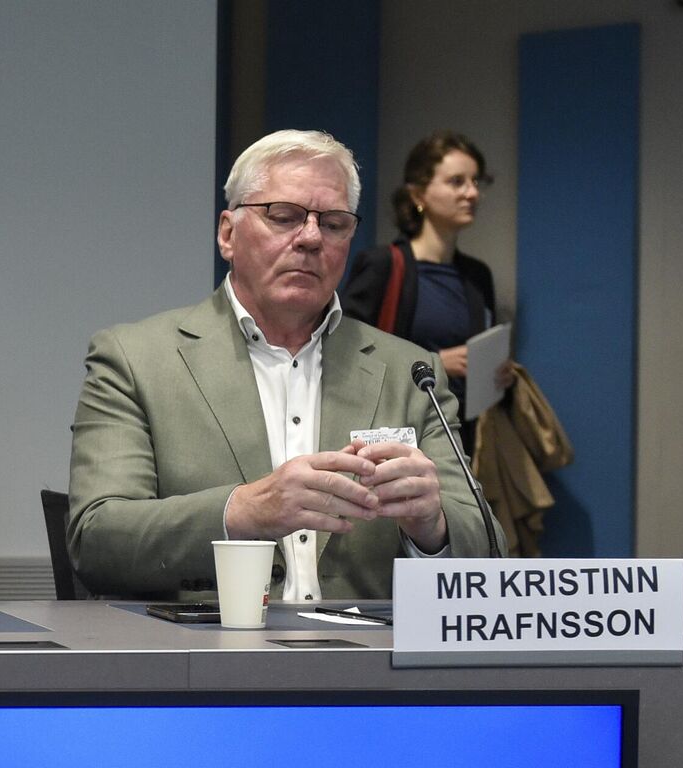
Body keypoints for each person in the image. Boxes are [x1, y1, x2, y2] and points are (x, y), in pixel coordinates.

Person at [67, 129, 500, 601]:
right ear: (228, 234)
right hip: (204, 661)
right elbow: (97, 539)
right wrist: (243, 511)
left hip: (366, 667)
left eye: (334, 223)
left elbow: (489, 551)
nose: (311, 237)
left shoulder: (411, 373)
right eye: (284, 216)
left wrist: (432, 524)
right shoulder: (135, 360)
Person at [341, 131, 508, 442]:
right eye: (457, 181)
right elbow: (346, 356)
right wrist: (437, 364)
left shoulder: (477, 275)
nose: (472, 193)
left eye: (477, 182)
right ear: (418, 195)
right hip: (397, 436)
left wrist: (495, 375)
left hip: (463, 437)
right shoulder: (382, 265)